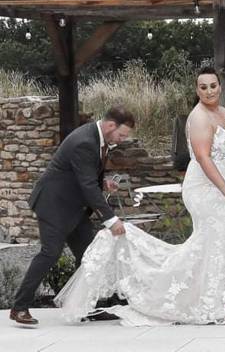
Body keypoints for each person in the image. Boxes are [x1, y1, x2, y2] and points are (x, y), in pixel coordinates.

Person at [53, 66, 225, 325]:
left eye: (213, 85)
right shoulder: (199, 117)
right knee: (212, 242)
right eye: (203, 87)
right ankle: (207, 303)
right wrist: (224, 187)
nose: (209, 91)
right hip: (208, 188)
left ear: (220, 86)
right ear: (196, 90)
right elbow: (203, 157)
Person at [9, 106, 134, 327]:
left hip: (74, 208)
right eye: (121, 135)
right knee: (50, 253)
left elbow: (84, 175)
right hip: (54, 205)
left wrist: (103, 182)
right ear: (110, 125)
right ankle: (19, 307)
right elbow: (86, 185)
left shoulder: (96, 137)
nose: (122, 140)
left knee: (89, 255)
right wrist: (111, 219)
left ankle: (88, 307)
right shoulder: (85, 141)